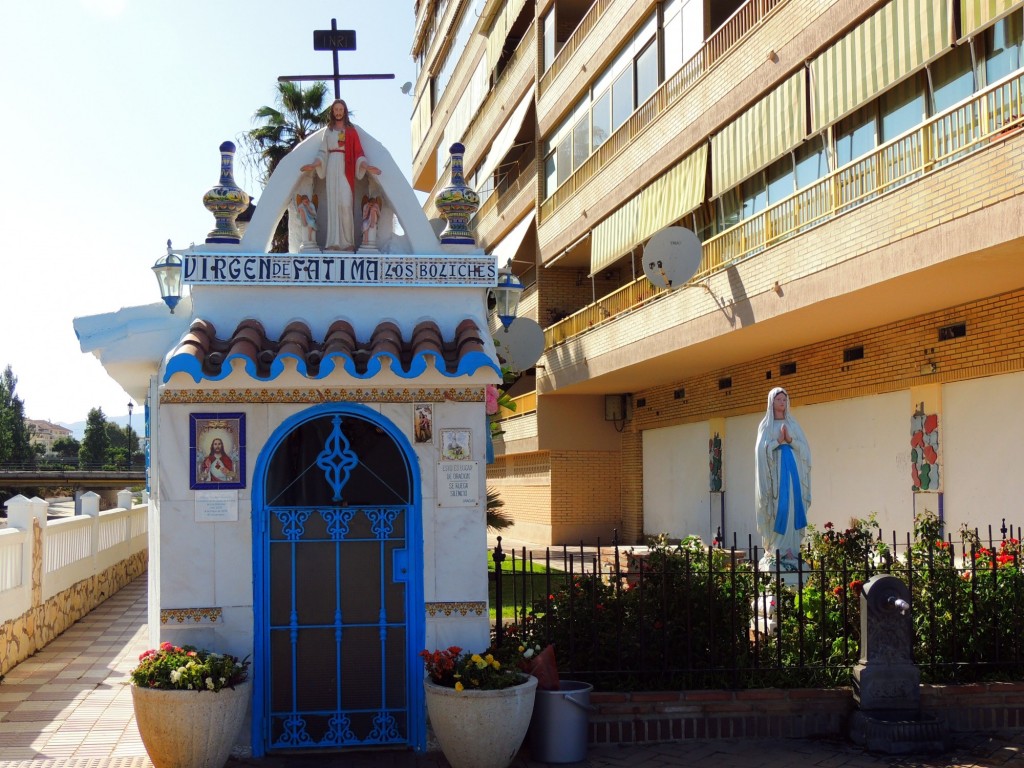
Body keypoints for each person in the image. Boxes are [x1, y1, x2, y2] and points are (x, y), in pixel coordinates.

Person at [301, 99, 380, 252]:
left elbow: (358, 153)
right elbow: (322, 152)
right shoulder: (328, 131)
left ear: (345, 111)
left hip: (347, 166)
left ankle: (347, 243)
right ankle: (333, 242)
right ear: (332, 112)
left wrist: (367, 166)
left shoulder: (351, 131)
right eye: (336, 109)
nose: (338, 112)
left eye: (341, 109)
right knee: (333, 205)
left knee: (345, 204)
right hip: (331, 166)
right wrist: (314, 164)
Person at [754, 387, 811, 571]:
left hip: (792, 471)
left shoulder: (793, 425)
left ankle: (792, 550)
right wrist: (777, 442)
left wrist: (790, 440)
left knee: (794, 506)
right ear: (772, 402)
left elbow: (805, 450)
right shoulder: (766, 425)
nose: (782, 403)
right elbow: (760, 452)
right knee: (780, 506)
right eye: (778, 399)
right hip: (775, 475)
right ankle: (777, 548)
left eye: (784, 400)